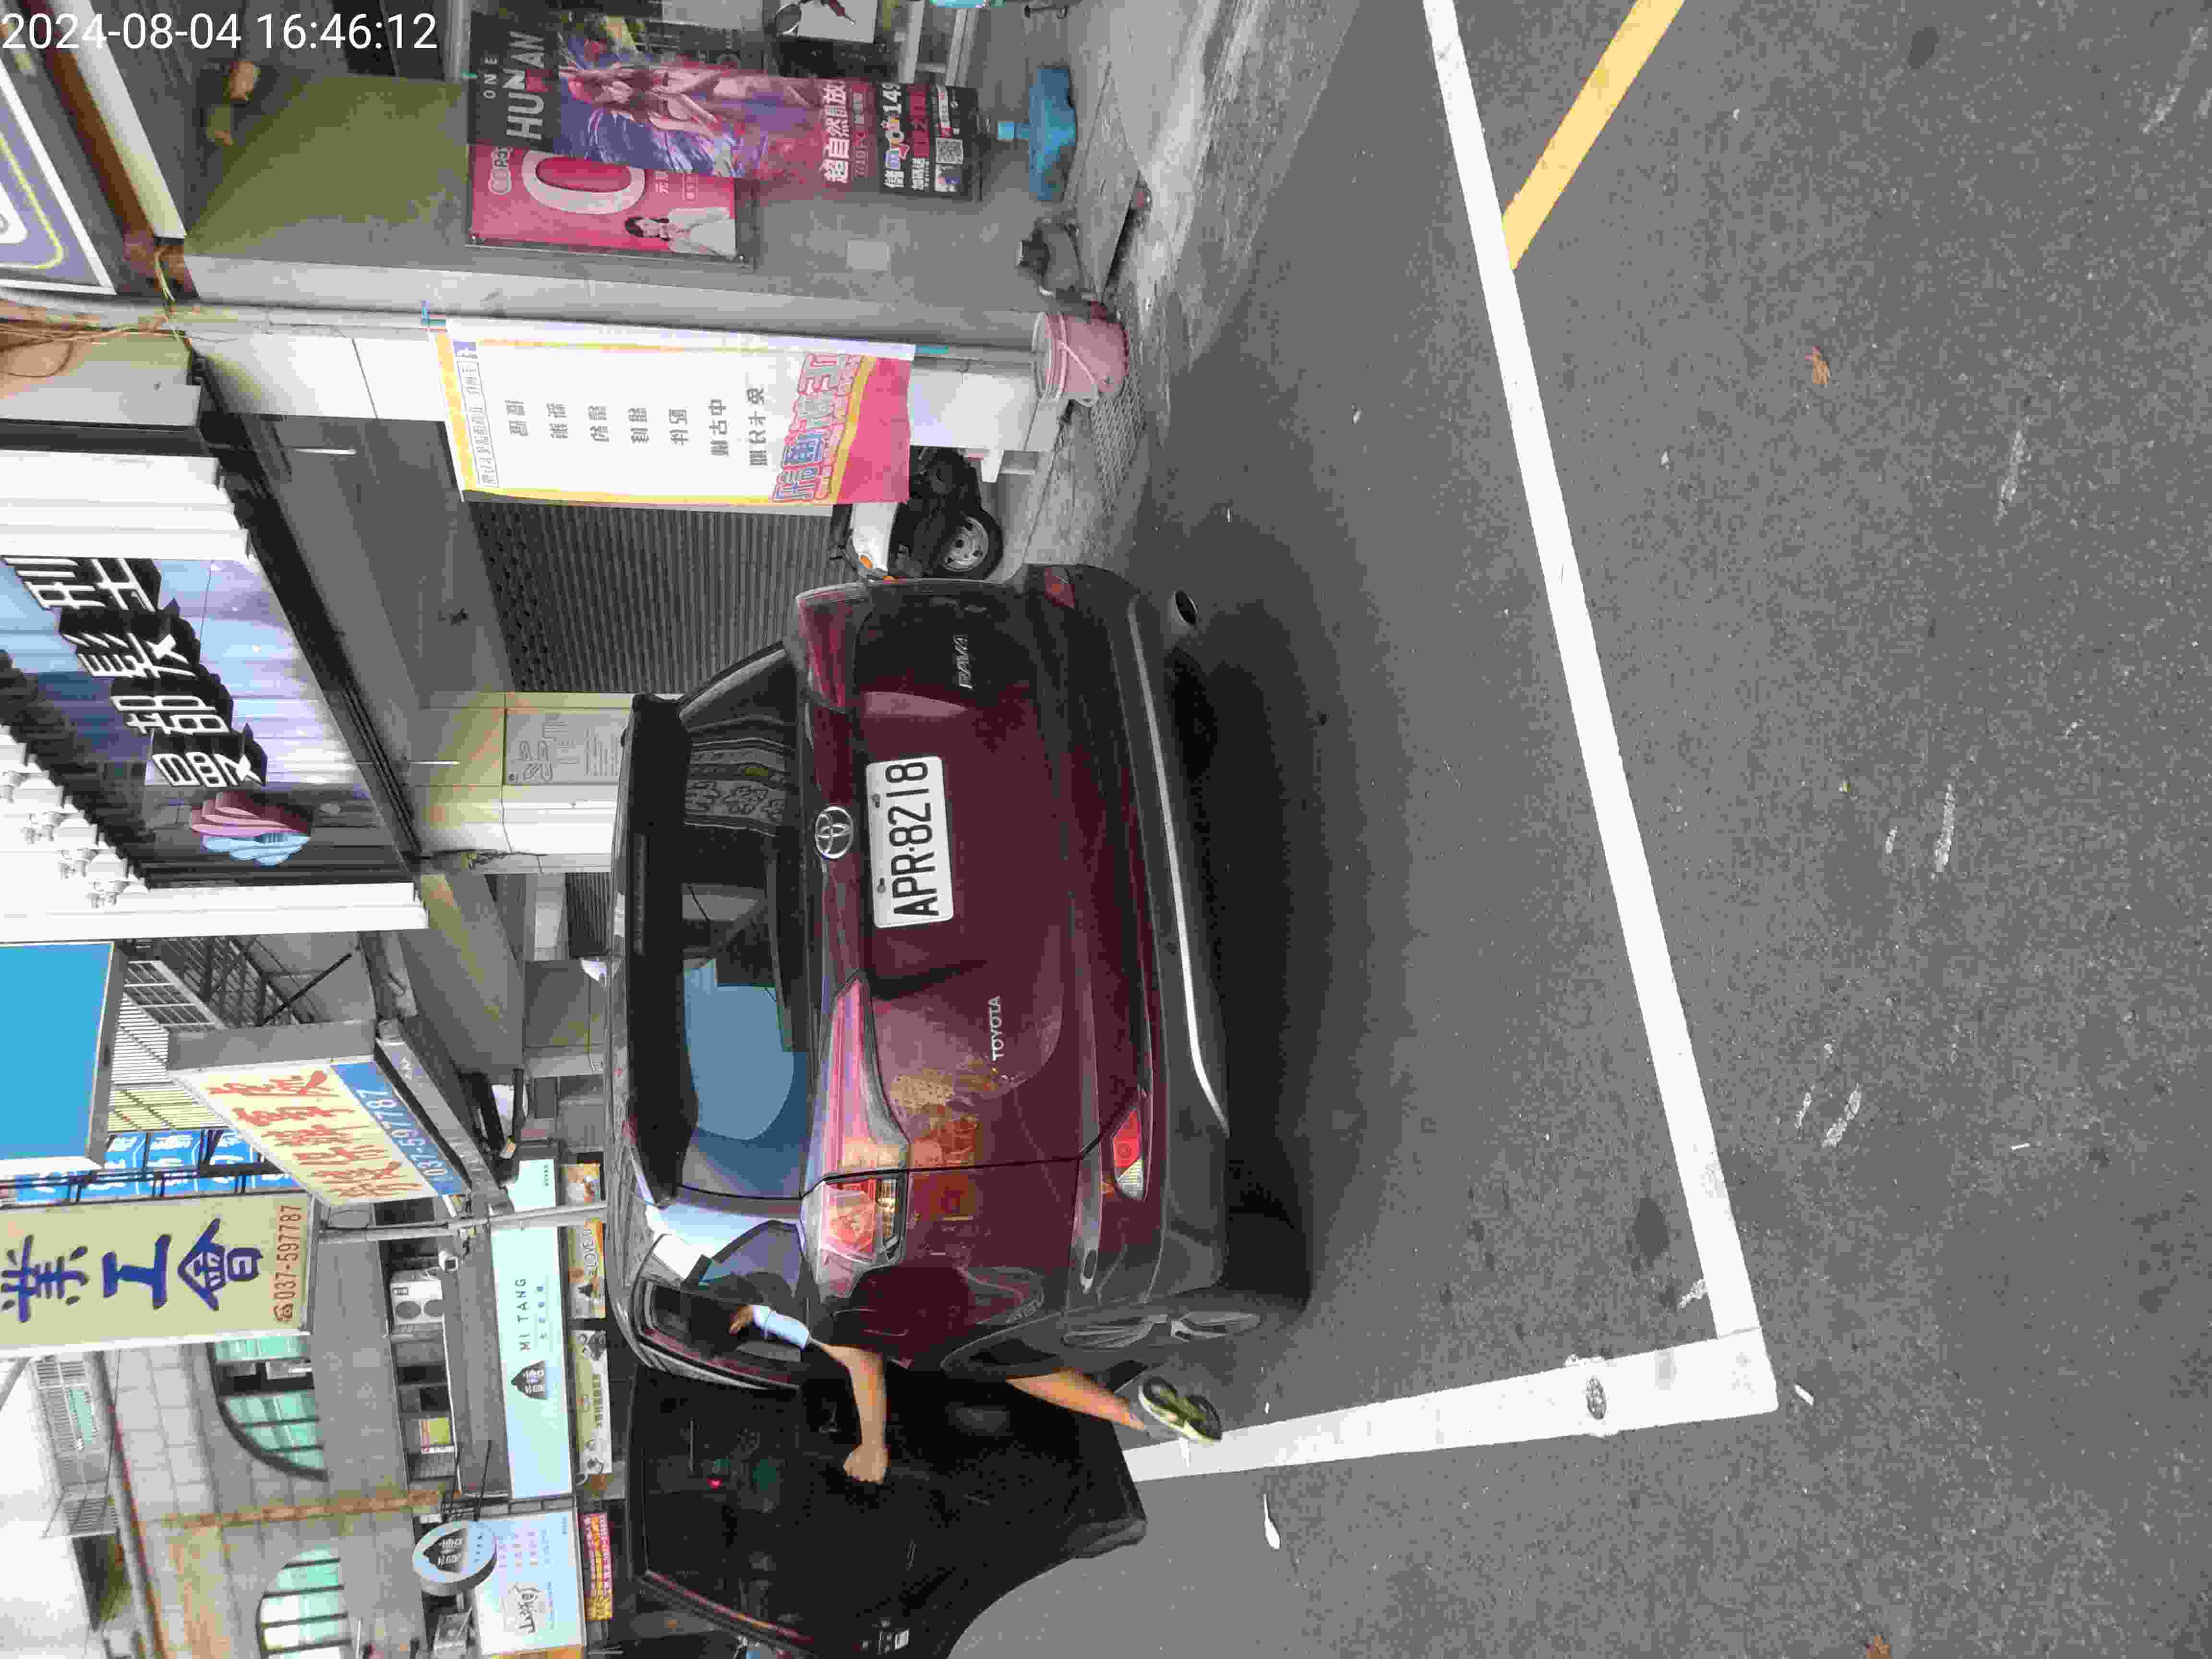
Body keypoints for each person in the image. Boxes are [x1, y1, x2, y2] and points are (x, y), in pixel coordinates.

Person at [720, 1288, 1223, 1484]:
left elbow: (859, 1361)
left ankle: (1136, 1415)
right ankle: (1152, 1366)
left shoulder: (789, 1303)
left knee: (1007, 1365)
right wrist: (755, 1315)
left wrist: (873, 1445)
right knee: (1019, 1353)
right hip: (945, 1276)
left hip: (933, 1318)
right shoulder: (779, 1289)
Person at [624, 209, 740, 258]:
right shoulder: (674, 246)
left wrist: (680, 225)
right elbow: (709, 254)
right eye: (645, 232)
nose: (650, 229)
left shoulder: (675, 215)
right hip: (728, 248)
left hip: (728, 228)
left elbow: (716, 214)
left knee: (698, 232)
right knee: (697, 235)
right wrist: (680, 238)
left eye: (646, 224)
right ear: (647, 236)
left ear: (647, 218)